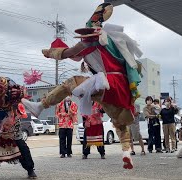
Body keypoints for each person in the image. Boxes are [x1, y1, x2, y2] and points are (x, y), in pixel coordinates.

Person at [22, 2, 143, 169]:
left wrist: (50, 53)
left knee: (69, 83)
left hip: (107, 82)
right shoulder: (112, 42)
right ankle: (126, 152)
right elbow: (78, 57)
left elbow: (70, 53)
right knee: (119, 121)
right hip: (120, 88)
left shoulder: (93, 39)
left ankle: (40, 106)